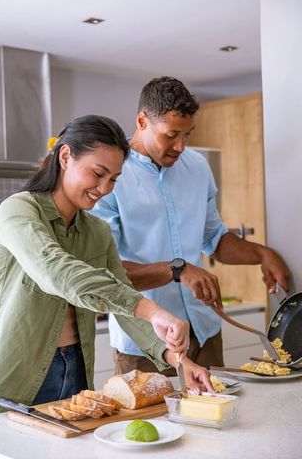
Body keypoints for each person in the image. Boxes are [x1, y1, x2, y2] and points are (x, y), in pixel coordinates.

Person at [0, 114, 214, 417]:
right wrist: (152, 309)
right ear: (66, 156)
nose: (105, 189)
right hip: (18, 373)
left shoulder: (96, 231)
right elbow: (57, 271)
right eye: (98, 174)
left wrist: (180, 361)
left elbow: (123, 306)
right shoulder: (19, 210)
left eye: (113, 179)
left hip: (76, 368)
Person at [91, 77, 290, 376]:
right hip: (147, 343)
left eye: (187, 135)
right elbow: (109, 270)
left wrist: (261, 253)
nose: (180, 146)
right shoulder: (112, 178)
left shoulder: (197, 167)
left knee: (225, 418)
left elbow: (215, 239)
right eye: (171, 135)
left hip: (205, 332)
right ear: (142, 121)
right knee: (155, 425)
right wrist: (179, 269)